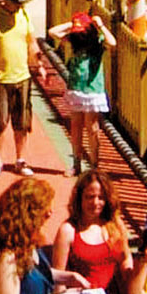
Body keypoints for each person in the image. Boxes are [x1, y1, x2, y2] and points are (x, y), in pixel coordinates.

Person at [0, 0, 40, 177]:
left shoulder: (24, 16)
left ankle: (20, 160)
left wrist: (37, 63)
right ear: (6, 0)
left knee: (22, 121)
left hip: (22, 76)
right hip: (0, 78)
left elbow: (31, 42)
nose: (19, 6)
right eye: (16, 2)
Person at [53, 11, 115, 174]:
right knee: (76, 126)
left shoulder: (98, 42)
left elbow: (112, 42)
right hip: (76, 87)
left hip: (93, 89)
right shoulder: (74, 40)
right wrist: (72, 23)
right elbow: (53, 32)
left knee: (92, 128)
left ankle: (95, 165)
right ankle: (76, 163)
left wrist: (99, 25)